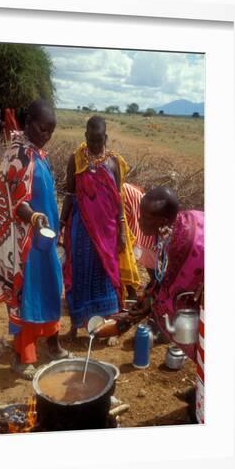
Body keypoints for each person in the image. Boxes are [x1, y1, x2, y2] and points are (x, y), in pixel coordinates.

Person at [0, 99, 69, 379]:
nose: (47, 135)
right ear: (27, 122)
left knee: (51, 288)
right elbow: (16, 201)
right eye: (42, 128)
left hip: (43, 240)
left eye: (51, 131)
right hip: (24, 243)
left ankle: (53, 345)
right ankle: (23, 356)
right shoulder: (18, 154)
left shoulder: (38, 153)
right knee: (27, 296)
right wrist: (34, 217)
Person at [60, 116, 135, 340]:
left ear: (106, 137)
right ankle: (75, 327)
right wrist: (62, 224)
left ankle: (110, 327)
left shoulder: (114, 163)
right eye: (91, 140)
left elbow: (118, 199)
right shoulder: (76, 160)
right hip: (81, 227)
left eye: (99, 140)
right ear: (85, 136)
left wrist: (122, 229)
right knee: (78, 272)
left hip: (108, 231)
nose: (95, 145)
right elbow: (70, 194)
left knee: (107, 275)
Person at [128, 186, 204, 361]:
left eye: (145, 217)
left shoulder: (185, 243)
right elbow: (163, 274)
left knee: (187, 322)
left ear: (161, 220)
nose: (139, 220)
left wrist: (149, 305)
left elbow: (172, 290)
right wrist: (148, 296)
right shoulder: (168, 229)